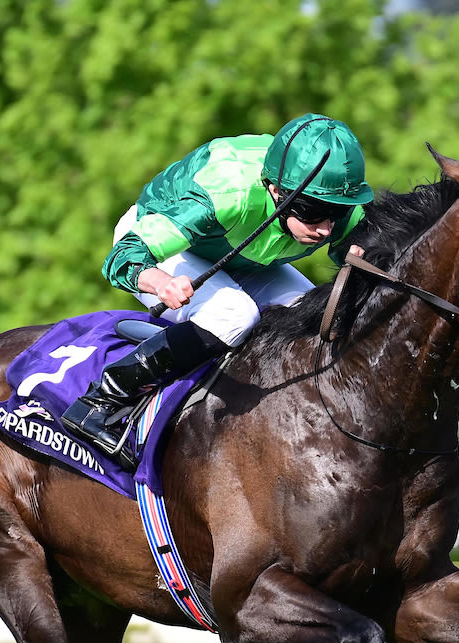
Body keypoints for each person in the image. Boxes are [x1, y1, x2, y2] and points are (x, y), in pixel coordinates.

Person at [60, 113, 373, 467]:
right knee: (234, 315)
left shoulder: (331, 201)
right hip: (163, 243)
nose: (327, 229)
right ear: (276, 191)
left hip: (246, 258)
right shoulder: (227, 194)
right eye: (314, 212)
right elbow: (123, 257)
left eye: (336, 213)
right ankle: (100, 401)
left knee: (317, 318)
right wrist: (161, 282)